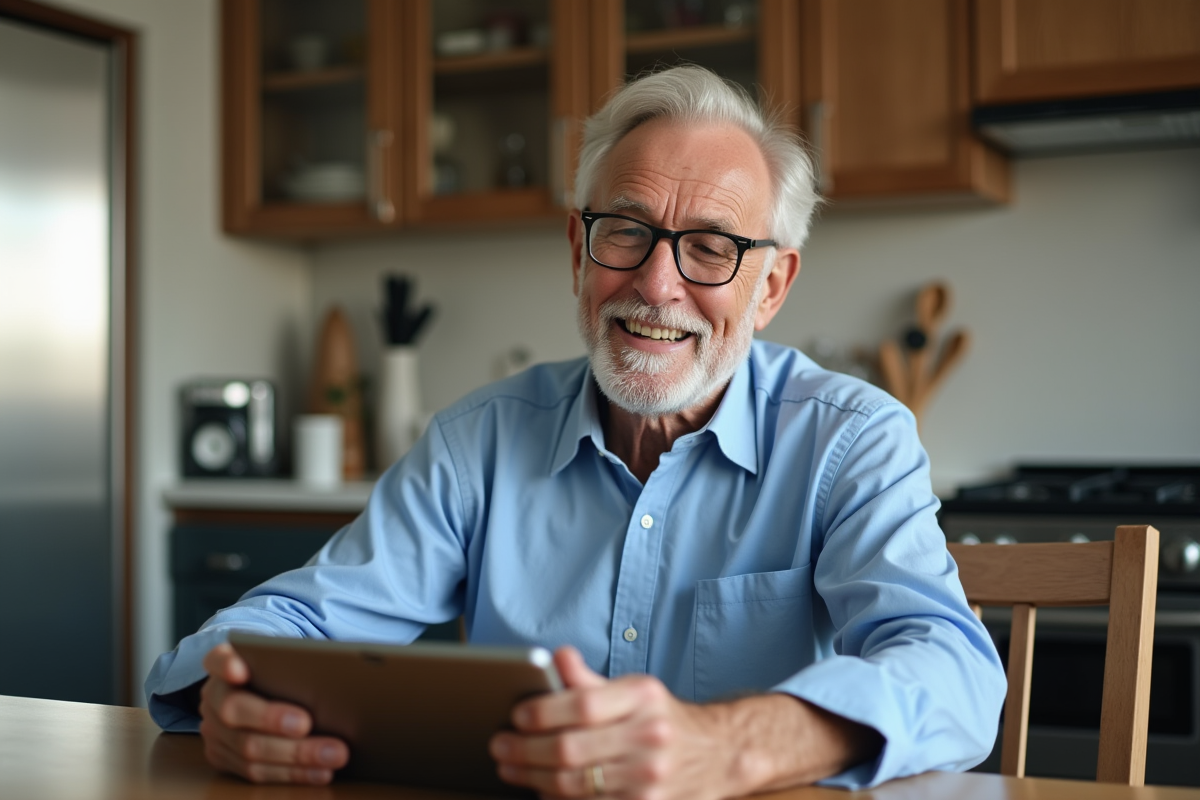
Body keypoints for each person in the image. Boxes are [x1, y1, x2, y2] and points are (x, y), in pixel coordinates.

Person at [146, 65, 1006, 796]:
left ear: (771, 287)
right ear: (577, 250)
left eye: (711, 248)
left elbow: (955, 676)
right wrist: (233, 695)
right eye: (625, 232)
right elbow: (296, 618)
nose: (657, 286)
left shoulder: (851, 440)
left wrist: (729, 744)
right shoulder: (478, 440)